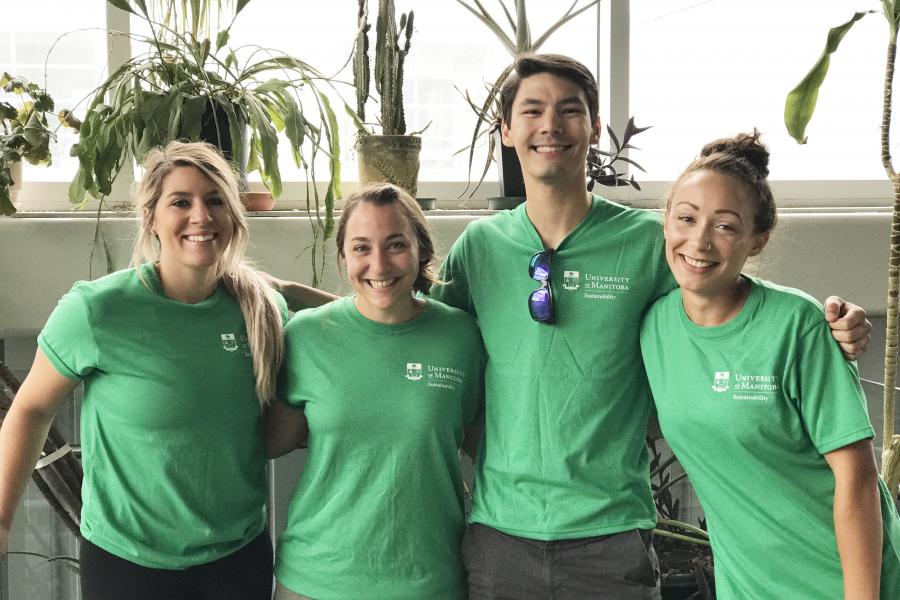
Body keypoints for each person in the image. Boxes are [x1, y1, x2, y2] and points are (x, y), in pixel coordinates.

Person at [432, 53, 873, 599]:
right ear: (506, 129)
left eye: (570, 110)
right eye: (533, 110)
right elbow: (421, 333)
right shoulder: (478, 248)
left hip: (611, 534)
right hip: (500, 533)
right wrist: (302, 302)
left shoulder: (650, 242)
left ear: (595, 128)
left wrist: (836, 325)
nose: (550, 125)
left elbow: (728, 308)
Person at [0, 141, 286, 600]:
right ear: (151, 217)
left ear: (235, 216)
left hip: (238, 559)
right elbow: (31, 409)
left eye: (216, 201)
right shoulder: (97, 311)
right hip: (128, 565)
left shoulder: (262, 312)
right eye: (181, 202)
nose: (201, 216)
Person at [639, 131, 900, 599]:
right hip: (750, 586)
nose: (698, 240)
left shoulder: (796, 325)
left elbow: (857, 479)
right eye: (686, 218)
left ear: (757, 240)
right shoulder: (653, 326)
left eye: (725, 225)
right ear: (666, 222)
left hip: (844, 580)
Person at [265, 183, 485, 600]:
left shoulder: (461, 337)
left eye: (395, 244)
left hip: (430, 580)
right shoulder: (307, 337)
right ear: (343, 257)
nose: (379, 263)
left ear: (421, 250)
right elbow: (269, 440)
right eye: (361, 248)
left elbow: (484, 447)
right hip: (317, 578)